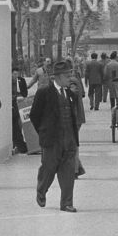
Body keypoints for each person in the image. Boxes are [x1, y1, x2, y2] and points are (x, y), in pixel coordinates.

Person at [30, 60, 80, 212]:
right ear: (58, 77)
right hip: (52, 140)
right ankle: (41, 190)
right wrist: (44, 131)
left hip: (69, 139)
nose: (70, 78)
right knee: (48, 168)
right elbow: (34, 115)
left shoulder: (70, 94)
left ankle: (66, 203)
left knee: (68, 172)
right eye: (67, 76)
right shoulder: (44, 92)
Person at [11, 65, 29, 155]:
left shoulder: (21, 80)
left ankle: (19, 145)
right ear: (11, 74)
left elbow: (25, 92)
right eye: (14, 74)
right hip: (13, 104)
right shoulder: (8, 82)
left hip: (20, 103)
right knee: (16, 126)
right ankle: (17, 145)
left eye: (17, 74)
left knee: (19, 124)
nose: (16, 76)